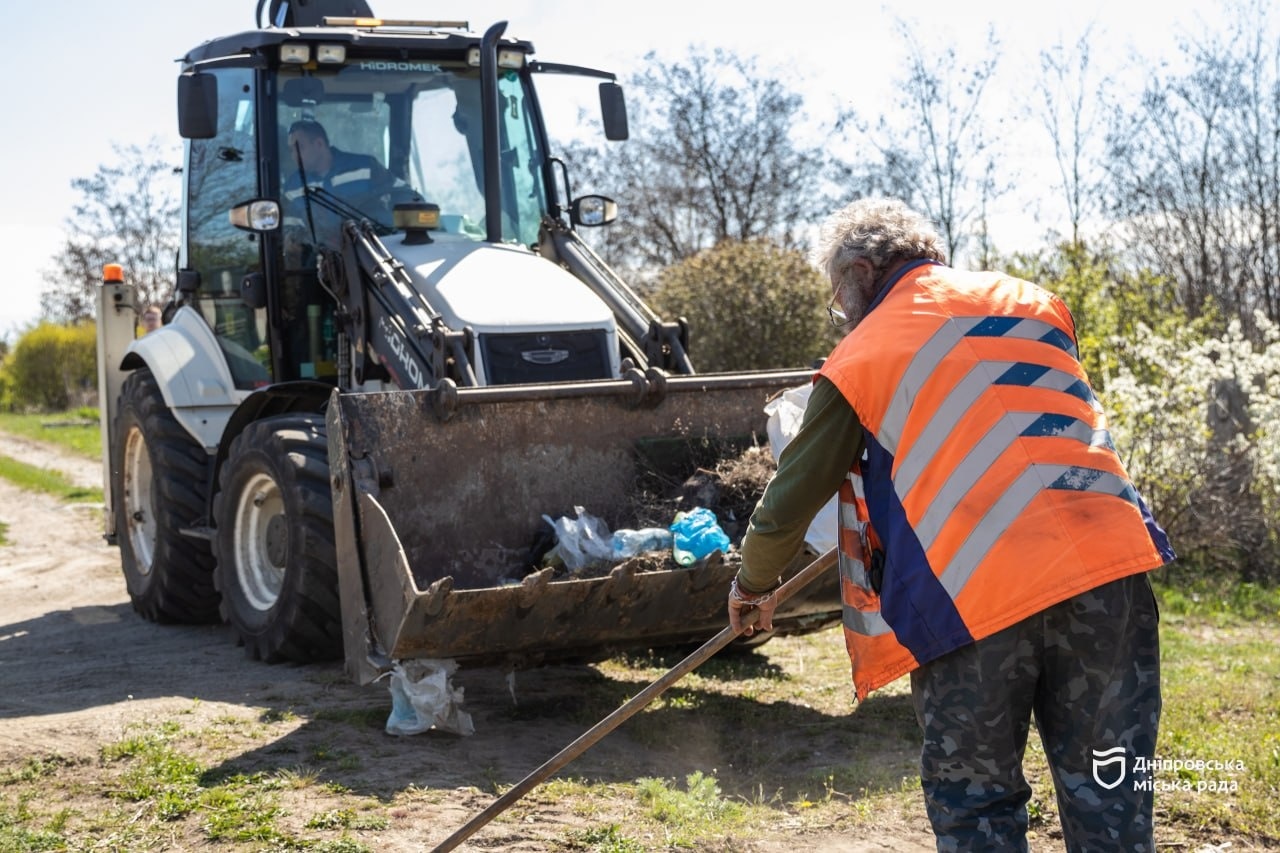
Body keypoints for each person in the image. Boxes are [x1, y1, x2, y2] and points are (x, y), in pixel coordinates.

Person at [726, 197, 1175, 852]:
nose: (841, 309)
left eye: (837, 294)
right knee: (1114, 798)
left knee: (977, 804)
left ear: (859, 271)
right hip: (1109, 570)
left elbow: (793, 494)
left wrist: (751, 583)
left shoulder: (861, 355)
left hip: (979, 597)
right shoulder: (1036, 302)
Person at [282, 119, 415, 249]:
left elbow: (403, 194)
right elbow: (290, 231)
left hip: (376, 254)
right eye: (291, 150)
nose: (294, 155)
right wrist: (297, 239)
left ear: (319, 144)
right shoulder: (292, 188)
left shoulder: (365, 168)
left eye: (299, 148)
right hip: (322, 264)